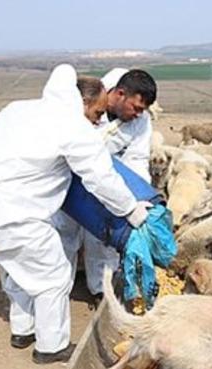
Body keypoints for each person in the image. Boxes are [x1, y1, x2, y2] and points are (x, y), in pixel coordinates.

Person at [0, 64, 150, 364]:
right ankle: (51, 347)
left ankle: (22, 330)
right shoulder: (71, 125)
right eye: (97, 114)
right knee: (52, 276)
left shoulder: (17, 110)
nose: (98, 121)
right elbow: (100, 177)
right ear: (83, 103)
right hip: (15, 213)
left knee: (18, 270)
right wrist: (131, 209)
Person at [56, 68, 158, 301]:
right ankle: (59, 290)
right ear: (120, 94)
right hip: (68, 181)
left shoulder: (140, 121)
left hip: (108, 183)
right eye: (136, 108)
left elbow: (137, 158)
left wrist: (138, 195)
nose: (138, 115)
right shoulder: (87, 99)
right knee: (64, 235)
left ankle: (102, 290)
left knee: (103, 238)